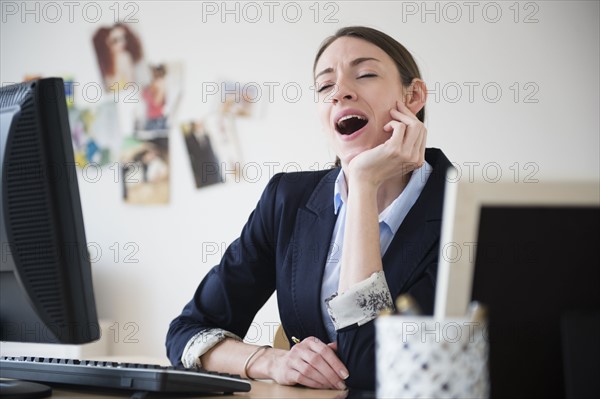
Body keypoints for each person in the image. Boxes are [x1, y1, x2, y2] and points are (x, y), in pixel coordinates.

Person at [166, 26, 453, 391]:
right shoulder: (287, 199)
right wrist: (269, 360)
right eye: (324, 86)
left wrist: (363, 186)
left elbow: (367, 362)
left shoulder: (467, 214)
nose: (340, 92)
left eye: (365, 74)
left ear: (413, 97)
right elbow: (185, 333)